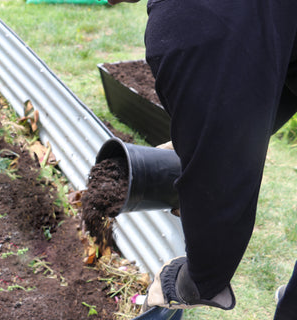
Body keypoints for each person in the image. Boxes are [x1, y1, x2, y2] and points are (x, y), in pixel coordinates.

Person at [107, 0, 297, 319]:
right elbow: (278, 61)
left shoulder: (192, 16)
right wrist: (195, 148)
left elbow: (222, 172)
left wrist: (189, 281)